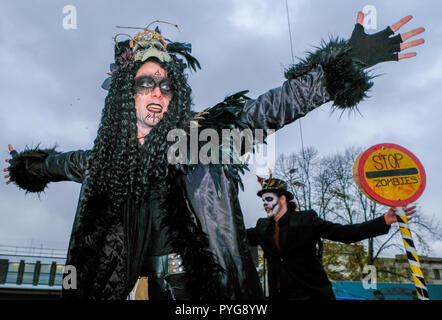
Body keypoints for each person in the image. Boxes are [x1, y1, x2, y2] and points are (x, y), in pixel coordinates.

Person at [3, 12, 424, 300]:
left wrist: (350, 61)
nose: (156, 92)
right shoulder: (103, 161)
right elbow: (53, 165)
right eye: (145, 82)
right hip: (125, 282)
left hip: (199, 287)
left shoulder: (206, 141)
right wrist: (26, 165)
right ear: (124, 95)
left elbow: (276, 106)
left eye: (166, 86)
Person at [246, 176, 417, 300]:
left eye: (269, 199)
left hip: (311, 295)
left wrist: (384, 220)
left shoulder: (306, 220)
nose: (265, 204)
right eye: (263, 201)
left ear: (282, 199)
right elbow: (238, 236)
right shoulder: (262, 227)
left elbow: (345, 233)